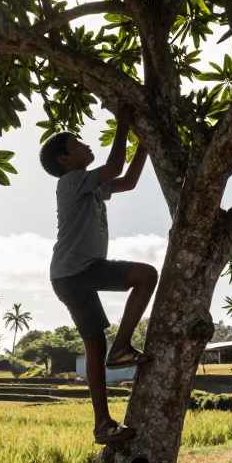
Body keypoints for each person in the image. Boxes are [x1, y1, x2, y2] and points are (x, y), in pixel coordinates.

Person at [40, 107, 157, 444]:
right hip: (79, 270)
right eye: (77, 142)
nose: (86, 144)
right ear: (65, 159)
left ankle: (102, 425)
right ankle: (121, 349)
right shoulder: (72, 181)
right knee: (146, 275)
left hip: (67, 276)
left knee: (94, 344)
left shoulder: (88, 186)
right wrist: (123, 122)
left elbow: (129, 182)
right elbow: (114, 168)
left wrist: (145, 147)